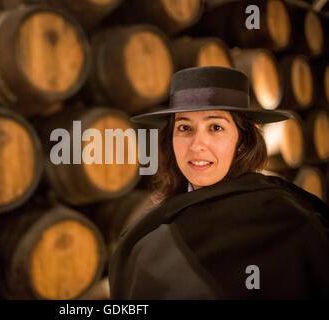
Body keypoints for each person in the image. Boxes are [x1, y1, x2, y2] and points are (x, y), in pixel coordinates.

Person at [108, 66, 329, 299]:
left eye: (216, 127)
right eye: (184, 128)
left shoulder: (292, 221)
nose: (196, 145)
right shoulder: (151, 231)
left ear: (242, 140)